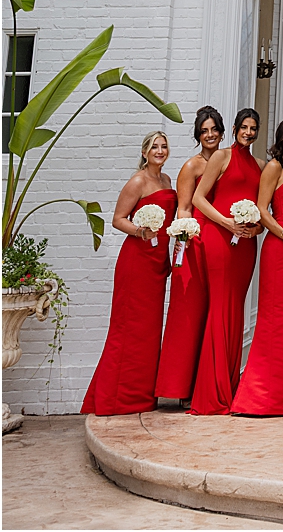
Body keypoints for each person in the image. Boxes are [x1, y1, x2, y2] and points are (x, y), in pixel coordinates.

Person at [80, 132, 175, 414]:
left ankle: (141, 397)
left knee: (148, 330)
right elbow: (118, 219)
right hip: (136, 261)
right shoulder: (138, 181)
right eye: (154, 147)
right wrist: (140, 231)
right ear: (144, 152)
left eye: (163, 146)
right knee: (127, 328)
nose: (159, 151)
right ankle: (114, 398)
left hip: (157, 262)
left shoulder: (167, 181)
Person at [230, 117, 283, 416]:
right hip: (279, 249)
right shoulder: (274, 168)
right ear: (280, 139)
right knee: (274, 319)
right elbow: (261, 209)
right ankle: (260, 396)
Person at [186, 107, 264, 414]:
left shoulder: (259, 164)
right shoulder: (221, 157)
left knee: (235, 313)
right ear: (234, 129)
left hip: (246, 245)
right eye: (244, 127)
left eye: (253, 128)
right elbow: (198, 198)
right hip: (219, 240)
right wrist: (227, 223)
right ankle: (211, 393)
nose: (248, 132)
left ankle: (229, 388)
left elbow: (261, 207)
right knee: (220, 309)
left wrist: (255, 227)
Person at [154, 105, 223, 407]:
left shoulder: (227, 162)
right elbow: (183, 208)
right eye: (204, 131)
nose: (209, 135)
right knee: (189, 313)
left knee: (214, 312)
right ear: (198, 135)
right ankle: (182, 386)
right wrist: (184, 238)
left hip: (220, 244)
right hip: (193, 243)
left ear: (222, 132)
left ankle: (207, 382)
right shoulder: (191, 166)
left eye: (214, 130)